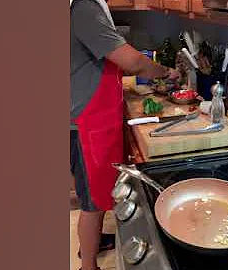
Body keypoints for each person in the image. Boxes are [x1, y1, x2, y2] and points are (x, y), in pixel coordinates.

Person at [70, 1, 180, 270]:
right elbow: (131, 61)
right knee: (92, 203)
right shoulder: (84, 7)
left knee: (94, 196)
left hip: (94, 118)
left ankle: (91, 243)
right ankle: (88, 265)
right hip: (87, 123)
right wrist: (165, 72)